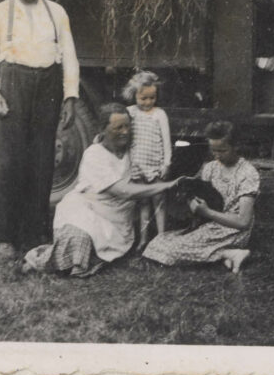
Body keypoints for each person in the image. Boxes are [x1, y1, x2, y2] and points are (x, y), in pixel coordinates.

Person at [0, 0, 80, 259]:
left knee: (42, 160)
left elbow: (69, 55)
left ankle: (35, 232)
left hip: (47, 85)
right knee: (9, 163)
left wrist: (70, 95)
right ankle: (7, 236)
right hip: (13, 84)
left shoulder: (57, 12)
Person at [23, 103, 176, 277]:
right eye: (118, 127)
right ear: (102, 130)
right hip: (85, 209)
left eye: (127, 126)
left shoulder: (131, 152)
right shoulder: (94, 154)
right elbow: (124, 191)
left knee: (95, 248)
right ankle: (41, 261)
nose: (125, 132)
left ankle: (70, 260)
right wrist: (166, 186)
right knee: (80, 236)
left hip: (117, 221)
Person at [142, 121, 259, 273]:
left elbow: (243, 222)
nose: (217, 155)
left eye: (222, 151)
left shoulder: (248, 173)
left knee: (170, 251)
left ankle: (228, 251)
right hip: (209, 225)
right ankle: (228, 254)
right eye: (213, 150)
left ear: (235, 146)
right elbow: (198, 192)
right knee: (157, 243)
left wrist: (208, 212)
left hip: (233, 230)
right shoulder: (211, 167)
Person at [123, 70, 172, 249]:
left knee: (159, 201)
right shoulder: (130, 113)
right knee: (143, 202)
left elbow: (166, 141)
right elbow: (126, 141)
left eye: (152, 98)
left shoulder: (159, 114)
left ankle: (161, 237)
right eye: (143, 98)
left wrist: (166, 163)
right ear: (134, 95)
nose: (148, 102)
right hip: (138, 165)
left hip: (156, 165)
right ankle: (143, 238)